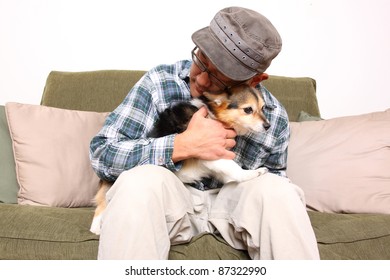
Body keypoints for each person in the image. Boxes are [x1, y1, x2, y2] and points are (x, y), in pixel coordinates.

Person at [89, 6, 320, 260]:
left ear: (255, 81)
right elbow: (102, 154)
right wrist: (181, 145)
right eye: (201, 61)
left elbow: (273, 180)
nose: (200, 81)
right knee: (137, 183)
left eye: (220, 80)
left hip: (233, 207)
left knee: (280, 192)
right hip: (171, 197)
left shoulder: (272, 116)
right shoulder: (160, 83)